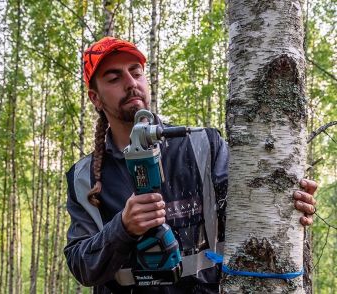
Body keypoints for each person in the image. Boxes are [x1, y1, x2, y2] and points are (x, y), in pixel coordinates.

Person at [64, 37, 317, 294]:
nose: (130, 83)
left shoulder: (203, 145)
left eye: (136, 72)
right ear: (95, 98)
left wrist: (285, 204)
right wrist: (123, 228)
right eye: (113, 77)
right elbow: (81, 266)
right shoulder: (84, 178)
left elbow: (251, 210)